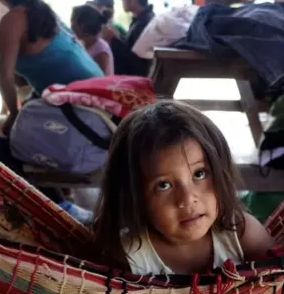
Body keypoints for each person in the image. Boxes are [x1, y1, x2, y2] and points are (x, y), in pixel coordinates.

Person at [93, 101, 274, 274]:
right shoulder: (126, 255)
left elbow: (274, 283)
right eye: (164, 185)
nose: (187, 199)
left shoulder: (242, 234)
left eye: (199, 174)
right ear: (134, 197)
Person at [0, 0, 103, 136]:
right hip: (97, 89)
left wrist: (14, 114)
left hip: (85, 103)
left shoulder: (13, 19)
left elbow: (4, 76)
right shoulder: (42, 9)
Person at [101, 0, 155, 76]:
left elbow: (137, 65)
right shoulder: (141, 20)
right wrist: (118, 37)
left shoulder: (145, 23)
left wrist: (113, 40)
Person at [71, 3, 114, 75]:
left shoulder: (101, 49)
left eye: (72, 22)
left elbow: (99, 78)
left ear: (83, 26)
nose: (71, 27)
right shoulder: (83, 42)